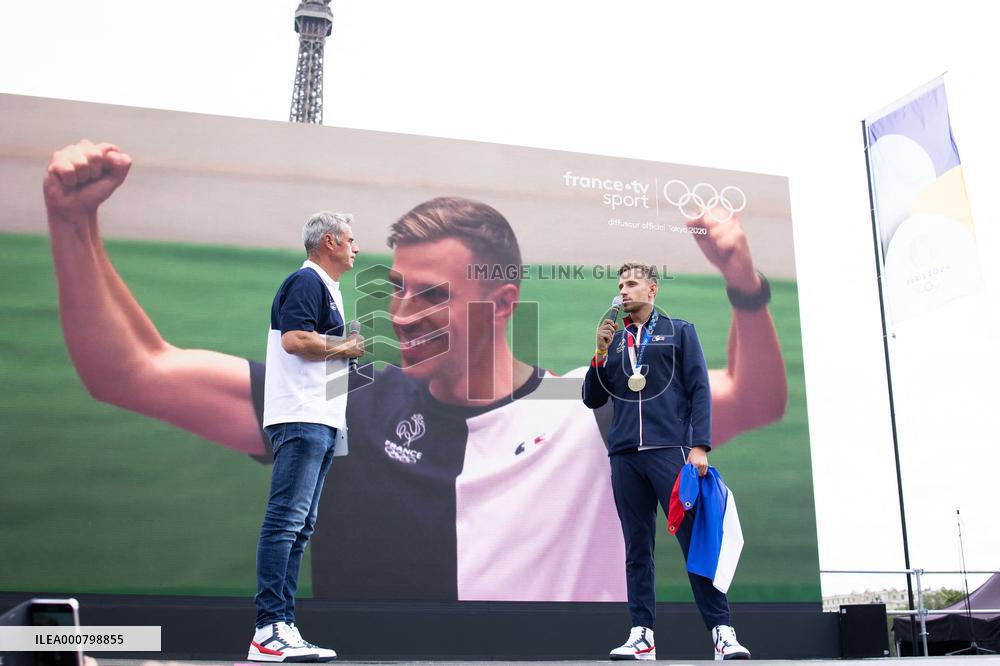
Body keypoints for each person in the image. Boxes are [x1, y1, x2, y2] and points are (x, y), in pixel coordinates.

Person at [43, 140, 787, 605]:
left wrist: (743, 284)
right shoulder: (344, 397)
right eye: (396, 288)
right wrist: (74, 224)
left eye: (430, 295)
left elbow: (754, 399)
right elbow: (131, 370)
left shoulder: (586, 406)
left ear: (502, 303)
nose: (399, 314)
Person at [583, 261, 752, 661]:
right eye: (620, 285)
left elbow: (699, 389)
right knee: (636, 548)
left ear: (652, 289)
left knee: (695, 542)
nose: (624, 291)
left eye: (632, 283)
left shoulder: (679, 331)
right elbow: (593, 397)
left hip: (670, 452)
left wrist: (700, 445)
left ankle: (722, 632)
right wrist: (599, 353)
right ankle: (642, 635)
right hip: (625, 456)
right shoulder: (616, 341)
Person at [249, 211, 362, 662]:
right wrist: (346, 347)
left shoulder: (326, 288)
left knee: (299, 527)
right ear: (329, 241)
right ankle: (268, 629)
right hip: (301, 417)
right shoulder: (307, 281)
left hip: (320, 419)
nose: (356, 247)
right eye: (350, 240)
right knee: (286, 522)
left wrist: (343, 351)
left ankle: (282, 626)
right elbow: (295, 340)